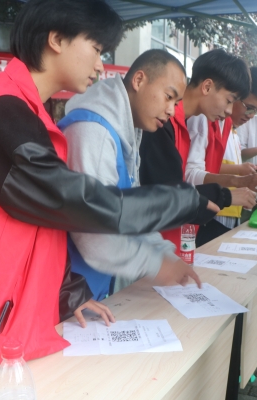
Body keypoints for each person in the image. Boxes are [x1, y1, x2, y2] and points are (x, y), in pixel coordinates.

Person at [0, 0, 217, 385]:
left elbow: (42, 224)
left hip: (9, 320)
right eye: (95, 48)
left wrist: (70, 294)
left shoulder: (29, 111)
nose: (100, 65)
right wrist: (182, 200)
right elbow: (74, 204)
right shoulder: (1, 112)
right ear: (56, 39)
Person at [61, 49, 205, 299]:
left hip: (94, 292)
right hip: (72, 298)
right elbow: (95, 239)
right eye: (168, 97)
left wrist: (167, 256)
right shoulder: (94, 133)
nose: (171, 111)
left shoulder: (126, 133)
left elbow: (129, 218)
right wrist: (157, 264)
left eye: (176, 103)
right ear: (139, 80)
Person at [139, 49, 257, 252]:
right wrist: (228, 194)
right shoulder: (164, 124)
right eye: (229, 100)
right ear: (207, 86)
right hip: (157, 244)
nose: (229, 111)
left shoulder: (188, 122)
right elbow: (167, 195)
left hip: (176, 235)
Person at [185, 66, 257, 245]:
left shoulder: (228, 126)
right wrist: (237, 179)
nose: (251, 115)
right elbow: (190, 173)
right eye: (249, 107)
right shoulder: (202, 117)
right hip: (206, 211)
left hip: (223, 207)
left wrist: (241, 179)